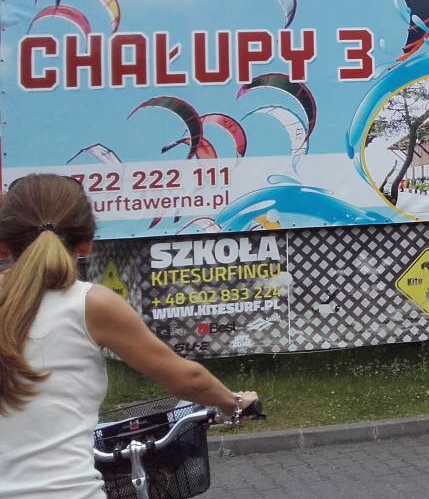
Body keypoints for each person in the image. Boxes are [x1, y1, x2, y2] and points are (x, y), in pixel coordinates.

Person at [0, 174, 258, 499]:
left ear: (4, 243)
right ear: (87, 243)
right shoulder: (90, 304)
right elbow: (187, 379)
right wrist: (235, 403)